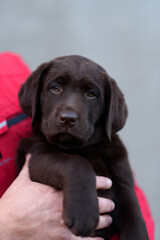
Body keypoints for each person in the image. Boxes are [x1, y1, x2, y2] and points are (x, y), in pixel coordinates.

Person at [0, 52, 154, 240]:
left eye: (91, 93)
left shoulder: (114, 154)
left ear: (107, 109)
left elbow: (133, 216)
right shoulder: (41, 144)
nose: (69, 112)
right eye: (55, 87)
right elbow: (37, 164)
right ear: (37, 98)